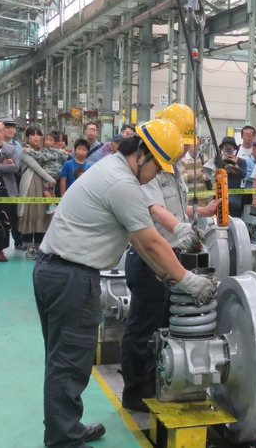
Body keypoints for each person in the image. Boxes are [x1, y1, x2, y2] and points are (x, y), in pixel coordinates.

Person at [33, 118, 216, 448]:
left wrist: (168, 273)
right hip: (72, 277)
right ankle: (64, 440)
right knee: (70, 362)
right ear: (142, 153)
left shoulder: (112, 170)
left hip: (58, 272)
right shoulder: (122, 183)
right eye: (157, 167)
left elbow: (138, 239)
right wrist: (188, 281)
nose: (157, 176)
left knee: (64, 359)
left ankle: (65, 428)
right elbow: (151, 242)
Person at [121, 105, 218, 413]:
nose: (186, 148)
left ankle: (157, 381)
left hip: (172, 255)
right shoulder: (150, 163)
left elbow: (175, 208)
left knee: (165, 325)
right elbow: (154, 208)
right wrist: (179, 228)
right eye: (183, 142)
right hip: (151, 257)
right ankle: (136, 392)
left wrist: (198, 214)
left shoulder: (175, 166)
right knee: (143, 327)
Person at [18, 126, 66, 259]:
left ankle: (40, 246)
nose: (36, 137)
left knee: (43, 215)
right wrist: (51, 179)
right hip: (30, 184)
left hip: (45, 186)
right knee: (29, 213)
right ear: (27, 137)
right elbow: (36, 167)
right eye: (32, 135)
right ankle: (28, 246)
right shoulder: (25, 151)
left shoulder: (46, 151)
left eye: (38, 134)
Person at [0, 120, 20, 260]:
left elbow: (15, 167)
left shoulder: (11, 149)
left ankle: (0, 250)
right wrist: (4, 165)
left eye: (0, 129)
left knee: (4, 221)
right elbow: (9, 167)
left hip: (6, 190)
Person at [203, 137, 247, 218]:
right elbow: (213, 175)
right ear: (222, 149)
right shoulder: (217, 161)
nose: (228, 149)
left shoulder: (241, 161)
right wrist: (222, 162)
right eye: (226, 147)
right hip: (220, 196)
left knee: (235, 220)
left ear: (234, 149)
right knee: (219, 219)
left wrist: (234, 164)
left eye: (230, 147)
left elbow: (243, 175)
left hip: (235, 199)